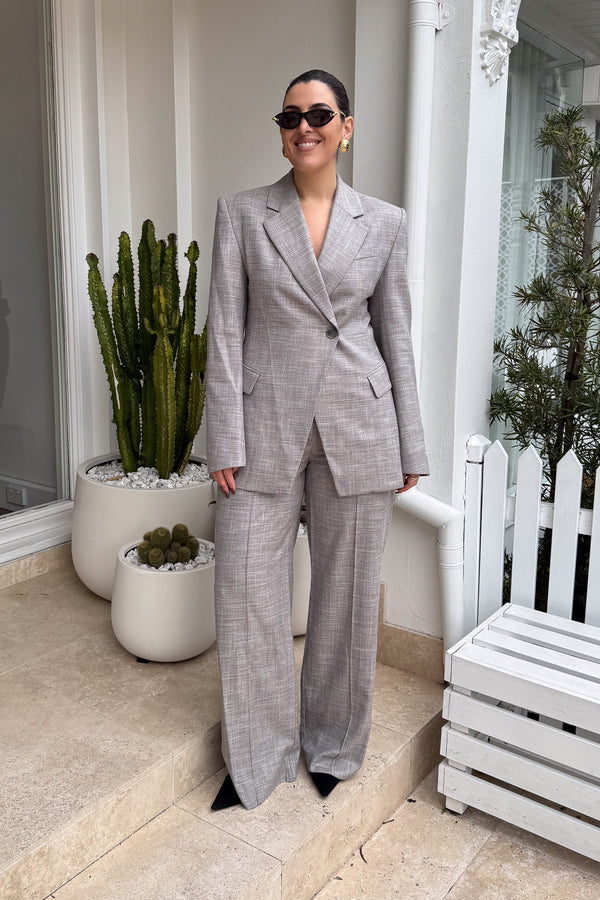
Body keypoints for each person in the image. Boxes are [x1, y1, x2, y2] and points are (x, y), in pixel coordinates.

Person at [205, 69, 428, 811]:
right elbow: (225, 331)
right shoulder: (243, 213)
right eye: (291, 116)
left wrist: (410, 444)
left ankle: (332, 745)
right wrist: (223, 438)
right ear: (281, 131)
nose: (305, 126)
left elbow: (395, 334)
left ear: (346, 128)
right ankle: (257, 759)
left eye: (320, 114)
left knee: (347, 597)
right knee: (247, 596)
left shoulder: (384, 222)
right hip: (261, 427)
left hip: (358, 424)